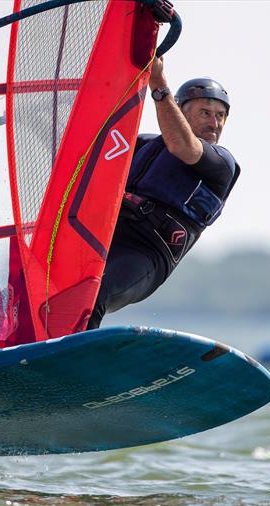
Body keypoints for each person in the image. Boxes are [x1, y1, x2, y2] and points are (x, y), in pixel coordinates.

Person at [88, 57, 240, 329]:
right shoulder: (143, 144)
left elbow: (184, 148)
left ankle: (72, 368)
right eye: (205, 113)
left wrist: (157, 83)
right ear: (181, 113)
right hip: (100, 236)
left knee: (92, 296)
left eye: (220, 116)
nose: (215, 123)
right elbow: (89, 147)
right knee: (38, 286)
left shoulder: (222, 164)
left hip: (145, 254)